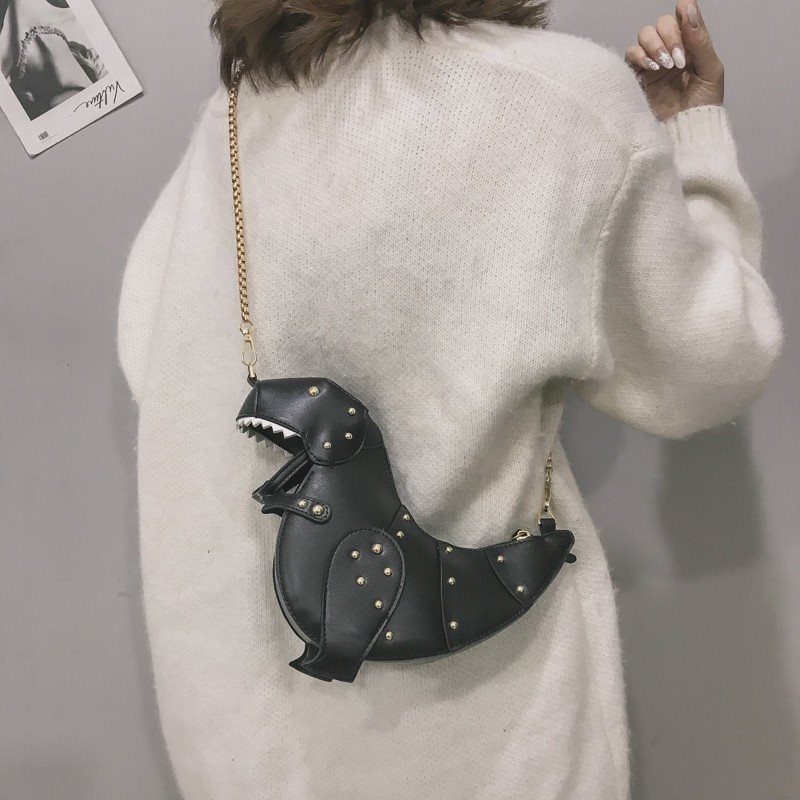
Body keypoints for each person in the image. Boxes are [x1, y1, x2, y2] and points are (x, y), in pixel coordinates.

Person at [117, 1, 783, 798]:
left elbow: (151, 359)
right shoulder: (565, 101)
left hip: (244, 741)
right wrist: (692, 142)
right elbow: (706, 367)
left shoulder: (234, 116)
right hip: (491, 748)